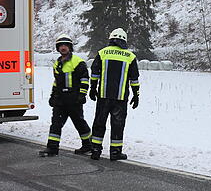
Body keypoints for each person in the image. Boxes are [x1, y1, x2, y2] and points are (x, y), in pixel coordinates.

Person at [88, 27, 140, 161]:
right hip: (120, 98)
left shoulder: (102, 53)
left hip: (103, 96)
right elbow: (134, 79)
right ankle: (115, 152)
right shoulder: (130, 57)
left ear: (111, 39)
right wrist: (136, 95)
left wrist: (92, 88)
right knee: (118, 125)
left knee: (99, 123)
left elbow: (94, 73)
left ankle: (95, 150)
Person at [39, 35, 93, 157]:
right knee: (56, 124)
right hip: (60, 100)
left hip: (74, 99)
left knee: (79, 123)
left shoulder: (78, 62)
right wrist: (53, 96)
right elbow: (56, 82)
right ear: (58, 48)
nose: (63, 48)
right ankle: (52, 148)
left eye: (66, 45)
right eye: (61, 46)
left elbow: (84, 80)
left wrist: (82, 95)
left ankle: (88, 145)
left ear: (70, 47)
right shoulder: (57, 63)